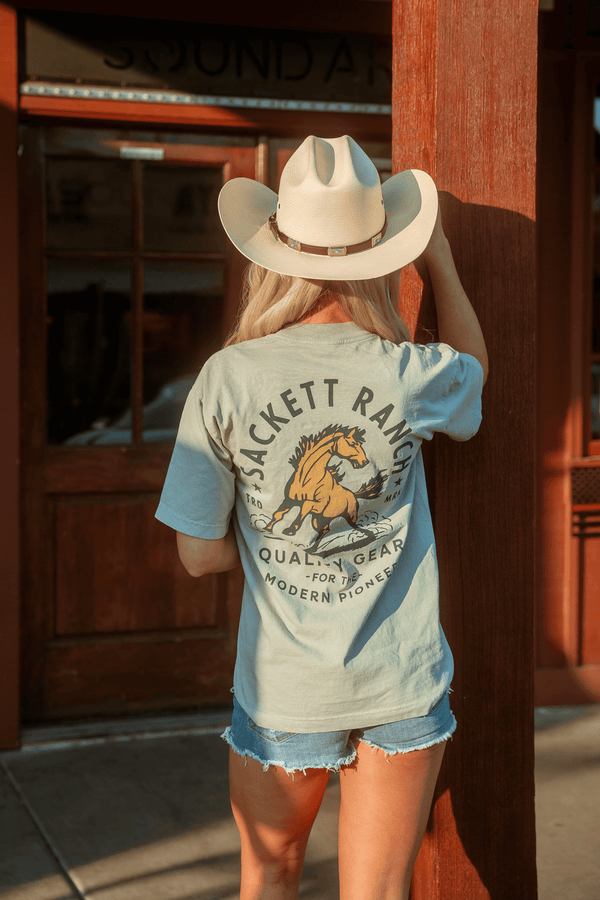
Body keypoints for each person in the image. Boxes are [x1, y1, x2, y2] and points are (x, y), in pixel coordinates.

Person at [156, 135, 488, 900]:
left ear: (274, 255)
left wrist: (269, 546)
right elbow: (475, 378)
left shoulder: (228, 378)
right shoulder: (406, 373)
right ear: (381, 257)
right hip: (400, 681)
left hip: (286, 689)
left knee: (269, 880)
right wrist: (438, 259)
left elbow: (199, 555)